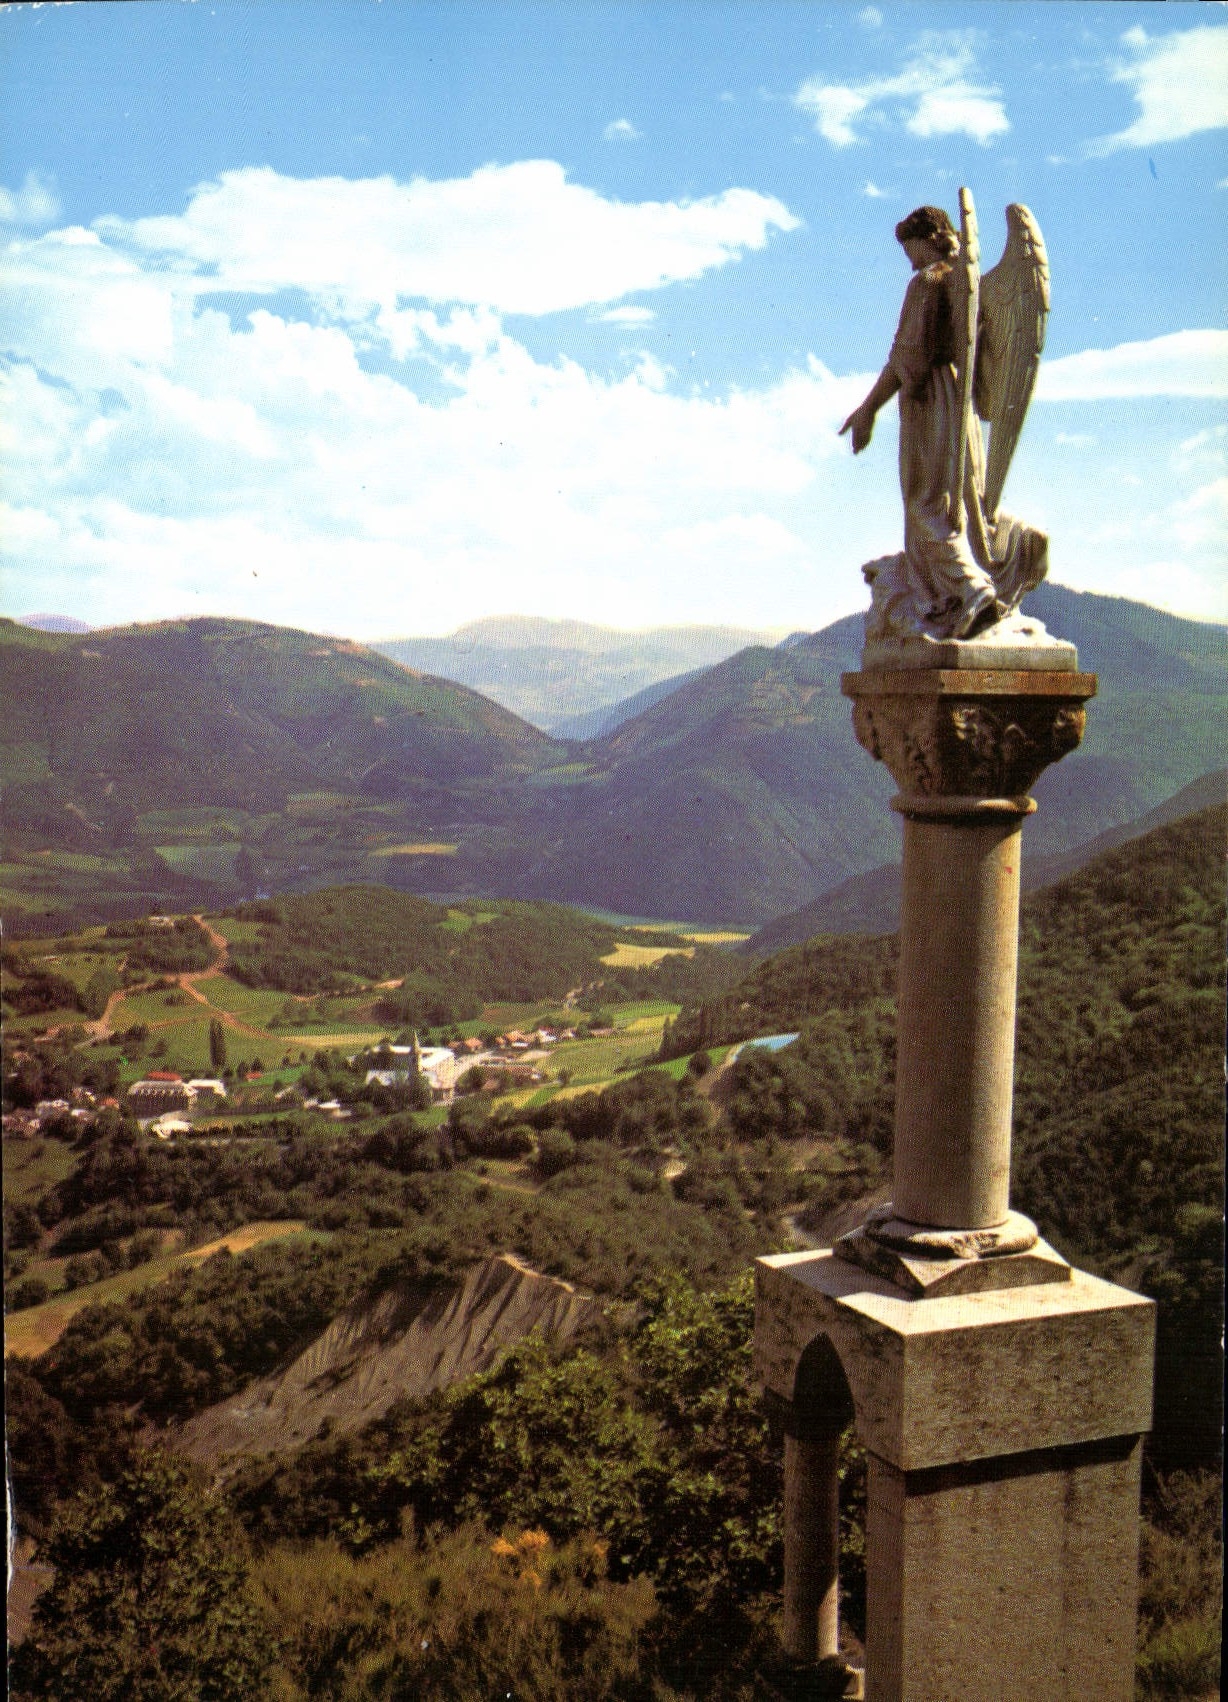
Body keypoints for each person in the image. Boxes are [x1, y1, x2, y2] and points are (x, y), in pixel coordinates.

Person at [841, 205, 1048, 642]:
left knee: (928, 507)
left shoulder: (928, 282)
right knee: (960, 501)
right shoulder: (964, 283)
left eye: (911, 248)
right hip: (961, 405)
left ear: (932, 237)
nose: (910, 260)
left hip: (930, 404)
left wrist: (868, 410)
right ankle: (1008, 546)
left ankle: (972, 592)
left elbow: (906, 358)